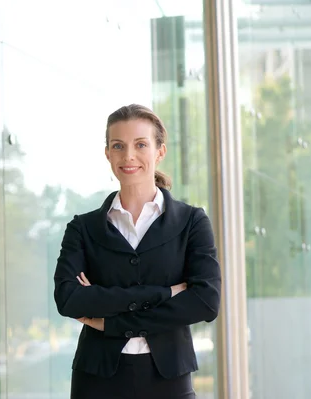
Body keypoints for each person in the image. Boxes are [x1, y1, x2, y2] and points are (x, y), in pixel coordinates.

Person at [53, 104, 221, 399]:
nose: (128, 155)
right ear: (107, 154)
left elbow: (205, 302)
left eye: (140, 144)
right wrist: (165, 294)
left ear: (160, 151)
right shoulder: (83, 228)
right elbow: (69, 299)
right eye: (118, 146)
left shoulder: (192, 222)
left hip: (169, 380)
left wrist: (111, 322)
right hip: (96, 381)